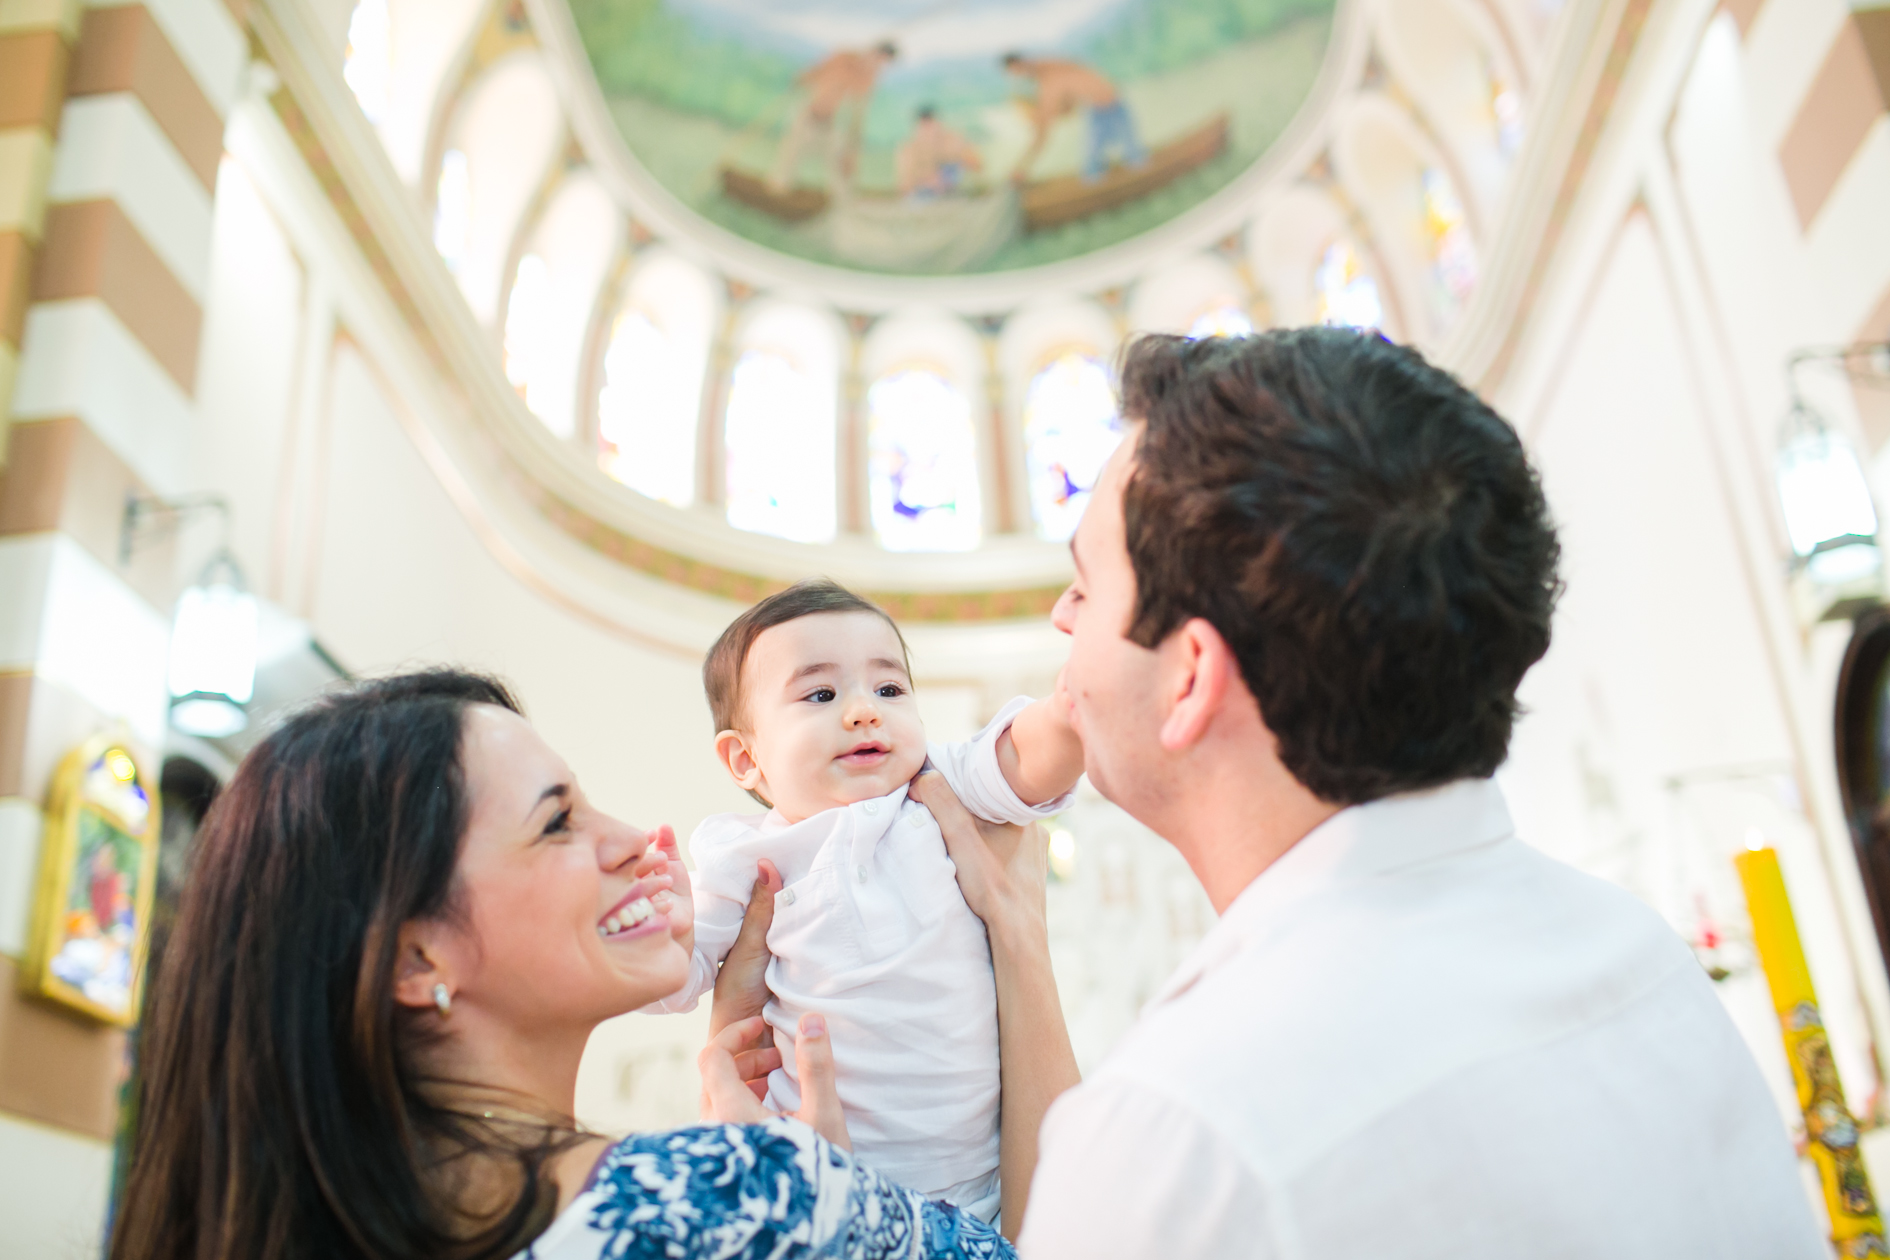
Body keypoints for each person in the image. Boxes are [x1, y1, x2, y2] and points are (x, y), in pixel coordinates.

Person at [999, 328, 1825, 1257]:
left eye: (1085, 581)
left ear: (1191, 676)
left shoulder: (1175, 1138)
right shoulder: (1646, 958)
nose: (1062, 615)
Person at [107, 669, 1074, 1260]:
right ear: (415, 954)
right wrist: (1016, 938)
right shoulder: (733, 1203)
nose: (636, 838)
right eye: (558, 820)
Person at [646, 579, 1083, 1225]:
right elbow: (671, 982)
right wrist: (668, 928)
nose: (863, 711)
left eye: (889, 689)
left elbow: (1027, 756)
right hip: (831, 1169)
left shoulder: (942, 786)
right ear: (746, 758)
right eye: (820, 694)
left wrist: (1077, 706)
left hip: (984, 1184)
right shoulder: (743, 858)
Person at [769, 41, 896, 193]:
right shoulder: (844, 57)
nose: (878, 64)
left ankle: (838, 202)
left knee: (838, 164)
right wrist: (802, 79)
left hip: (830, 123)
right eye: (879, 59)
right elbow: (816, 70)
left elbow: (858, 112)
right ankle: (777, 191)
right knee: (790, 155)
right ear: (873, 52)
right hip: (809, 113)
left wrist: (853, 146)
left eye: (883, 63)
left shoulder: (868, 78)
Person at [1001, 53, 1144, 184]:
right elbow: (1053, 120)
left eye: (1018, 72)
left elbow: (1043, 131)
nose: (1019, 76)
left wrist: (1021, 167)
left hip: (1112, 107)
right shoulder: (1050, 76)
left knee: (1130, 159)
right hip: (1101, 110)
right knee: (1095, 168)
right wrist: (1021, 167)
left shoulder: (1050, 74)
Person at [898, 106, 984, 198]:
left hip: (952, 188)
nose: (929, 133)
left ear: (938, 124)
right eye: (925, 128)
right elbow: (905, 186)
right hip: (924, 194)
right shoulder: (909, 149)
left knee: (953, 169)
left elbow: (977, 165)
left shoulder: (953, 140)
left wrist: (959, 164)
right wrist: (928, 181)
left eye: (931, 127)